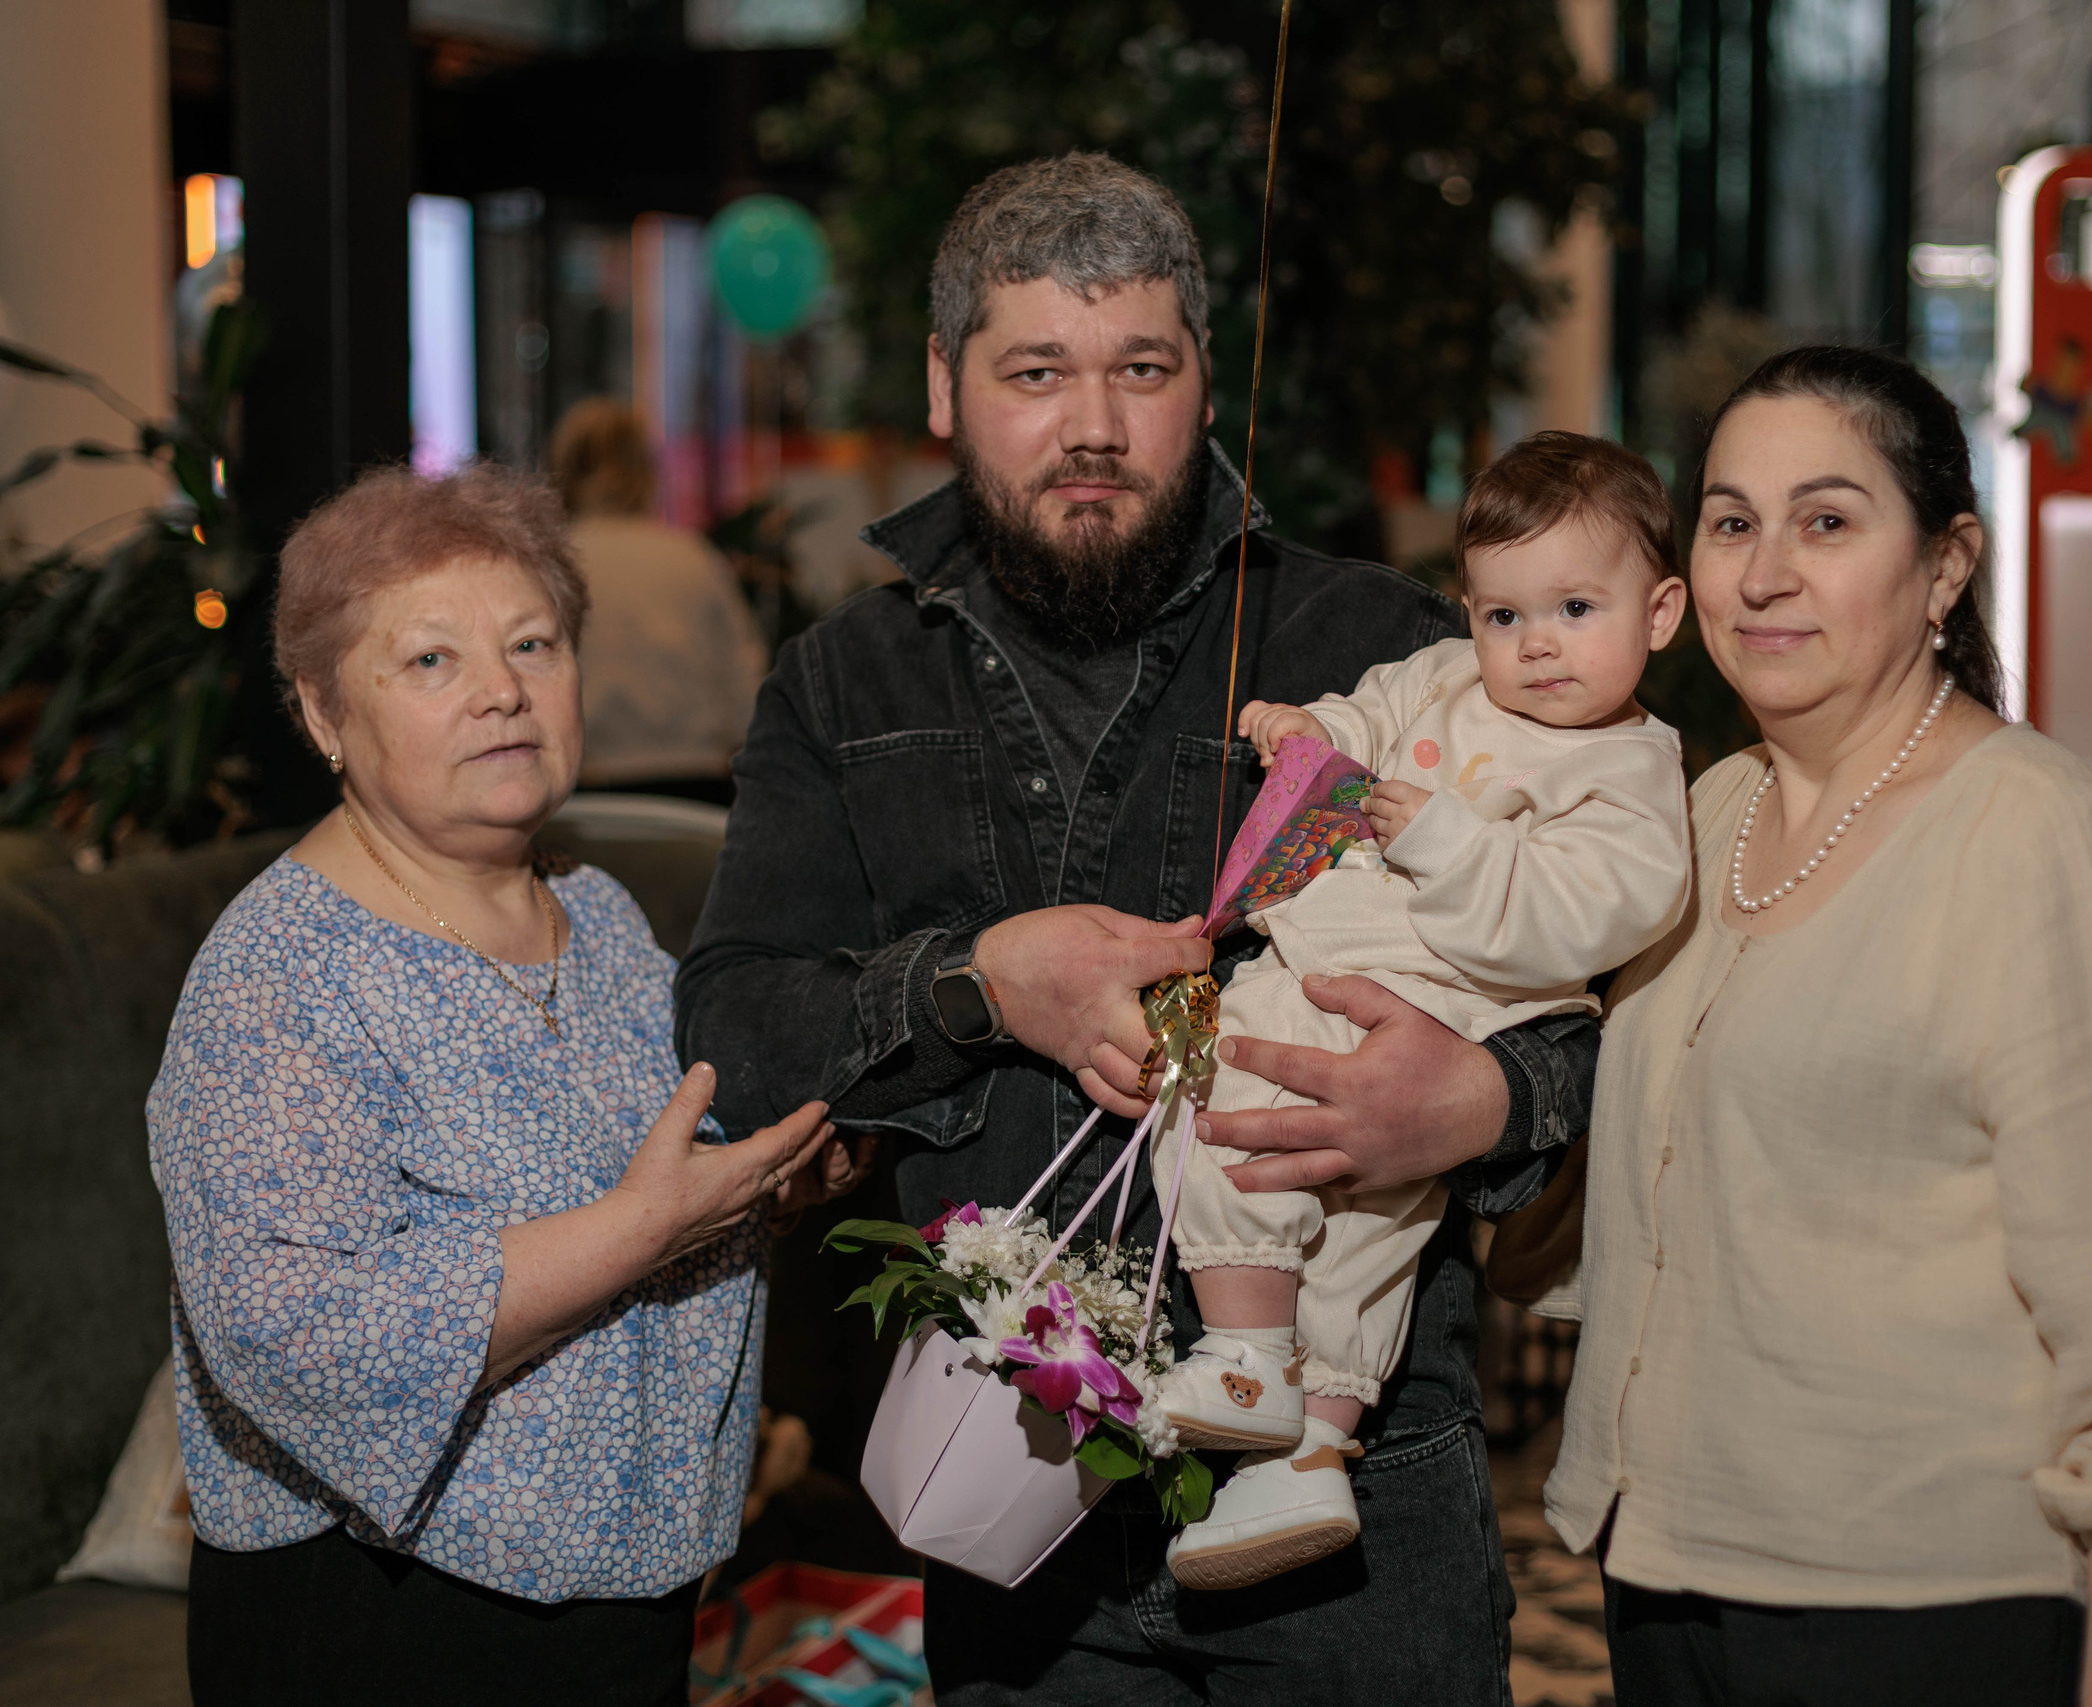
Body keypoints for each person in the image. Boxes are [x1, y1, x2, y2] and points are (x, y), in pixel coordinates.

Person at [674, 152, 1599, 1705]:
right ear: (944, 386)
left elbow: (1587, 996)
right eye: (1035, 370)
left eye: (1142, 369)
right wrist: (980, 983)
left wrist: (1491, 1098)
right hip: (1017, 1494)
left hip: (1354, 1497)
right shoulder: (844, 687)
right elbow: (733, 1027)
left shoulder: (1388, 649)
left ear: (1204, 383)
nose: (1093, 425)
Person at [1546, 346, 2092, 1707]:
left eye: (1827, 522)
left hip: (1924, 1605)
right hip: (1664, 1575)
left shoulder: (2043, 845)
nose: (1764, 572)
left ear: (1947, 565)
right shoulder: (1695, 820)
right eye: (1732, 522)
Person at [148, 464, 870, 1707]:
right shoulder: (278, 976)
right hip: (386, 1624)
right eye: (431, 661)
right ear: (323, 714)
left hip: (621, 1605)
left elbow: (666, 1166)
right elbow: (295, 1338)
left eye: (533, 642)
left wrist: (780, 1176)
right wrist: (643, 1227)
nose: (502, 692)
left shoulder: (593, 914)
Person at [1153, 432, 1691, 1591]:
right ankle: (1250, 1361)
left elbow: (1588, 919)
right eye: (1503, 617)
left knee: (1369, 1247)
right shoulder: (1439, 678)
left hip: (1447, 1024)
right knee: (1209, 1112)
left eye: (1575, 608)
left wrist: (1444, 836)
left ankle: (1308, 1450)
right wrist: (1308, 735)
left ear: (1661, 613)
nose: (1534, 643)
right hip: (1316, 974)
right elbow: (1364, 715)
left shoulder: (1635, 775)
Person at [551, 397, 767, 804]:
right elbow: (747, 692)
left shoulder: (553, 563)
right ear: (645, 470)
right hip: (697, 794)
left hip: (589, 797)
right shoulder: (693, 557)